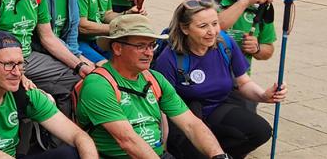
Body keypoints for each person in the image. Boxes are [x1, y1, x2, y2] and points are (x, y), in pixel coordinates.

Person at [75, 14, 230, 159]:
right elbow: (127, 140)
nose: (149, 53)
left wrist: (219, 155)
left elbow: (191, 124)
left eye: (151, 45)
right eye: (141, 46)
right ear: (117, 48)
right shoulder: (98, 84)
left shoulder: (155, 78)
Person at [154, 0, 287, 159]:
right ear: (185, 28)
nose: (212, 31)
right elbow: (161, 108)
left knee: (260, 131)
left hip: (216, 107)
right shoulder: (169, 59)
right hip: (184, 117)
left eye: (215, 23)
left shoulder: (225, 43)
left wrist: (264, 95)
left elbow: (243, 81)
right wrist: (163, 149)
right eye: (203, 26)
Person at [0, 32, 99, 159]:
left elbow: (78, 135)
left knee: (71, 153)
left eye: (20, 64)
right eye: (8, 64)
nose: (17, 73)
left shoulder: (24, 92)